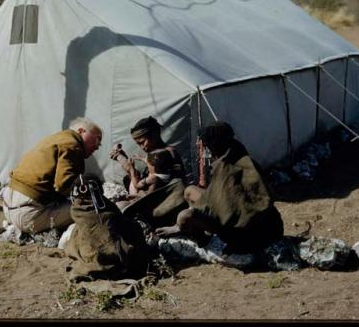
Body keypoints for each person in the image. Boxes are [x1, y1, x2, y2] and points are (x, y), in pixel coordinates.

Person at [155, 121, 284, 254]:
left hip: (248, 234)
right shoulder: (239, 156)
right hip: (273, 227)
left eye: (206, 146)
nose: (205, 149)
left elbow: (230, 209)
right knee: (189, 191)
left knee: (185, 216)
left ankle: (205, 241)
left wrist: (183, 223)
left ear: (213, 146)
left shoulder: (227, 168)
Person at [0, 117, 103, 234]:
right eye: (96, 140)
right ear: (81, 131)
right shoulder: (72, 145)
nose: (97, 146)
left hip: (9, 209)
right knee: (92, 207)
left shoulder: (55, 139)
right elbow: (64, 185)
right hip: (27, 216)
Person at [64, 174, 148, 282]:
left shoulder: (76, 209)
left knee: (77, 231)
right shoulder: (107, 210)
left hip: (87, 255)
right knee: (134, 228)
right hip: (112, 262)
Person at [110, 116, 186, 187]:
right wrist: (127, 163)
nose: (142, 147)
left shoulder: (168, 153)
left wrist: (132, 171)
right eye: (138, 144)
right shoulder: (152, 155)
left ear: (154, 135)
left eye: (142, 142)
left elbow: (176, 182)